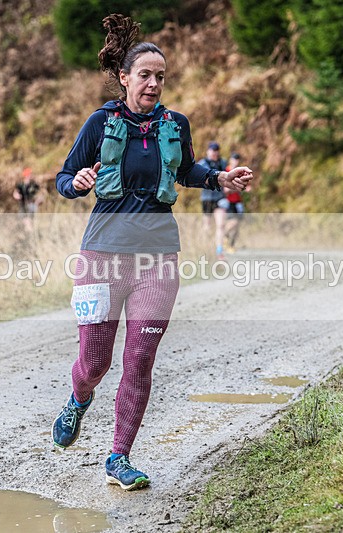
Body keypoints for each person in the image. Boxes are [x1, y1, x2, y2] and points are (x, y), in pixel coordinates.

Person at [52, 14, 253, 491]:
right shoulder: (100, 122)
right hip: (102, 254)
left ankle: (119, 457)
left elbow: (186, 170)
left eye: (160, 76)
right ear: (124, 77)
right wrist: (77, 183)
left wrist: (219, 178)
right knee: (95, 363)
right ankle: (79, 398)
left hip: (159, 259)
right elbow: (64, 178)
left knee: (140, 358)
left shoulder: (174, 124)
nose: (154, 83)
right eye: (145, 75)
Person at [198, 141, 228, 259]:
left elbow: (226, 178)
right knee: (207, 226)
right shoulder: (203, 163)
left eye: (216, 151)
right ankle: (205, 249)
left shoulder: (222, 162)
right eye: (212, 150)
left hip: (219, 198)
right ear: (208, 151)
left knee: (221, 225)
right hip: (207, 198)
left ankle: (219, 250)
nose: (214, 153)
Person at [220, 152, 249, 252]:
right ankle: (222, 236)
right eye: (234, 159)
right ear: (230, 160)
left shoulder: (240, 172)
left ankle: (231, 245)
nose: (236, 162)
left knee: (237, 225)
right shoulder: (226, 171)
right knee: (233, 223)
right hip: (229, 201)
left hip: (238, 202)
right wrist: (239, 188)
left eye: (237, 160)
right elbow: (226, 190)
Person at [12, 167, 42, 231]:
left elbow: (40, 192)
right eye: (29, 174)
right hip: (23, 205)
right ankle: (27, 230)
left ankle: (30, 230)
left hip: (32, 204)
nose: (31, 175)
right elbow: (15, 193)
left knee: (30, 220)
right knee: (24, 219)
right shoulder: (20, 185)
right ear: (26, 175)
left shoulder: (34, 184)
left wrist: (38, 200)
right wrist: (16, 196)